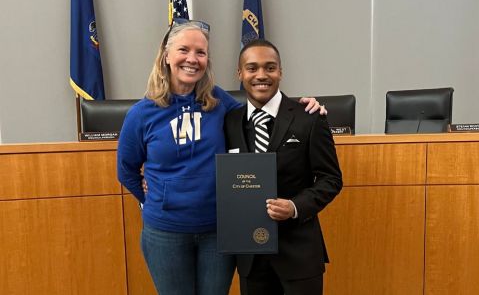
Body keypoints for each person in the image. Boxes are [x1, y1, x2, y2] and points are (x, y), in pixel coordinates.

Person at [117, 19, 325, 295]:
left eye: (200, 52)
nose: (192, 59)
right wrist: (154, 198)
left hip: (218, 231)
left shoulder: (219, 103)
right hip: (166, 232)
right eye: (184, 50)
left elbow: (260, 112)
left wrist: (302, 106)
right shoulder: (141, 114)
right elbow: (127, 170)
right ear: (166, 55)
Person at [223, 39, 343, 295]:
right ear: (240, 73)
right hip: (251, 257)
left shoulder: (309, 118)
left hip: (299, 253)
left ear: (280, 71)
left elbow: (331, 179)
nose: (261, 75)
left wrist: (295, 207)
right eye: (252, 68)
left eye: (270, 67)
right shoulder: (230, 122)